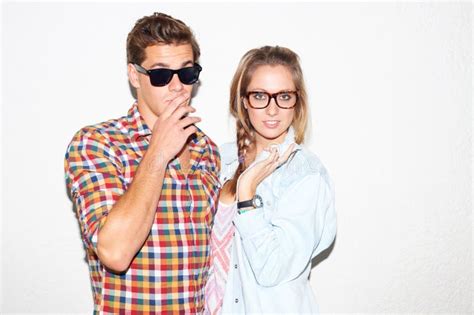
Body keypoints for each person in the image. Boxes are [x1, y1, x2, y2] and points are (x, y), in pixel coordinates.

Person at [64, 12, 220, 313]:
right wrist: (158, 153)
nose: (177, 86)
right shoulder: (98, 144)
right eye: (161, 75)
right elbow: (115, 252)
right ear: (135, 76)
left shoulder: (207, 151)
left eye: (187, 74)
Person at [204, 46, 337, 314]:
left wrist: (247, 195)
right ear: (243, 101)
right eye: (260, 96)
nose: (273, 109)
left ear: (297, 102)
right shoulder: (219, 159)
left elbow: (272, 270)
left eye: (284, 96)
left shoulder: (305, 174)